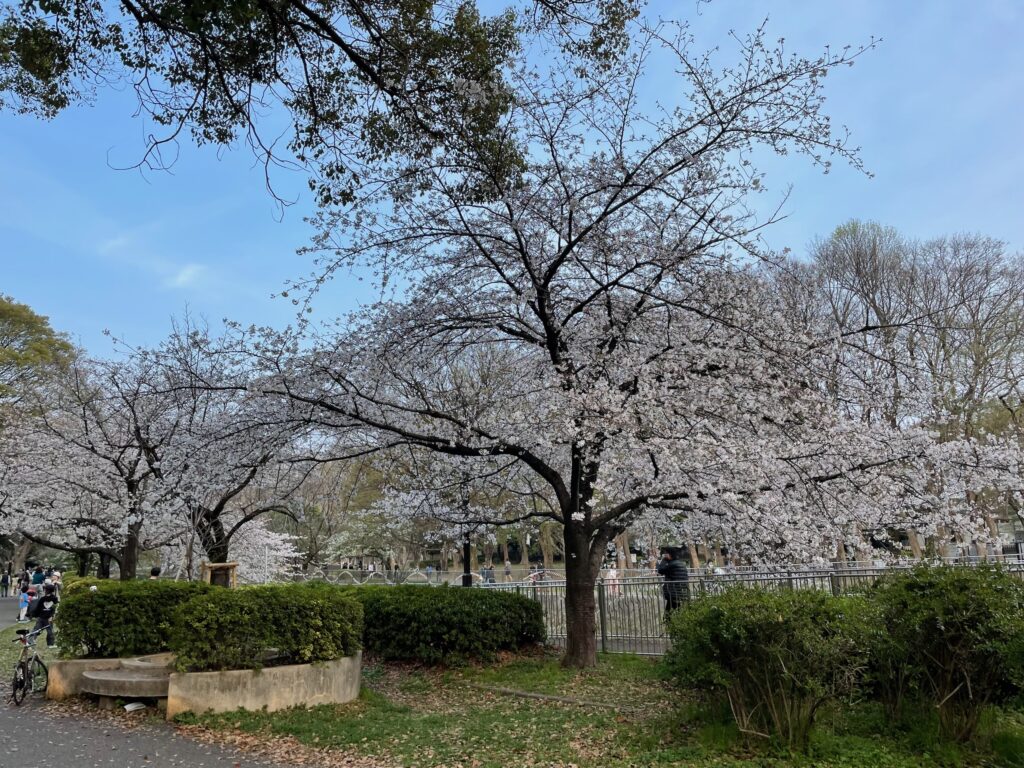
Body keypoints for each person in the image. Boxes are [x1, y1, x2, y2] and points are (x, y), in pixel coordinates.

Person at [657, 546, 689, 619]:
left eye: (666, 554)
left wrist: (663, 560)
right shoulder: (680, 563)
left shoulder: (672, 564)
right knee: (675, 611)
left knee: (668, 616)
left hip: (673, 592)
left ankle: (674, 628)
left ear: (670, 554)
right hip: (679, 592)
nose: (664, 555)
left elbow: (660, 570)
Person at [29, 583, 59, 647]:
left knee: (49, 631)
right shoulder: (43, 598)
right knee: (36, 629)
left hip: (48, 618)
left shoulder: (54, 599)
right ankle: (30, 642)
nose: (45, 591)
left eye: (45, 590)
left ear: (49, 590)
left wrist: (52, 616)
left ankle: (50, 644)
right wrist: (36, 615)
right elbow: (38, 608)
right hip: (41, 617)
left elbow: (55, 608)